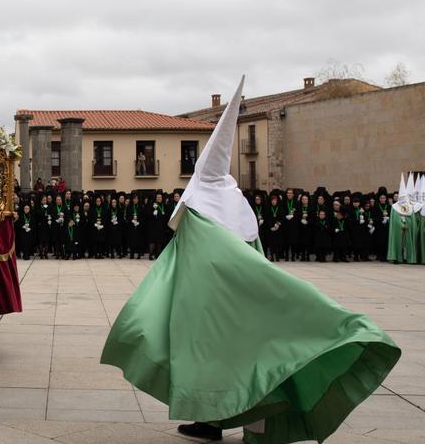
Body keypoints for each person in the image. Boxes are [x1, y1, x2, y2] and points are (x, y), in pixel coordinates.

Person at [101, 77, 400, 444]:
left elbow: (188, 254)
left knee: (214, 359)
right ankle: (250, 428)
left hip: (211, 302)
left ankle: (211, 423)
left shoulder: (199, 207)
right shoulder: (236, 202)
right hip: (248, 298)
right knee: (257, 356)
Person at [263, 193, 284, 261]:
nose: (274, 201)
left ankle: (277, 256)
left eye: (275, 200)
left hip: (278, 228)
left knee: (277, 243)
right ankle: (271, 256)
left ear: (277, 201)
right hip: (270, 228)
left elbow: (282, 218)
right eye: (272, 200)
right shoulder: (268, 208)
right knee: (271, 243)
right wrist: (271, 226)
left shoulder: (280, 208)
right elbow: (267, 218)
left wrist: (277, 224)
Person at [147, 192, 168, 260]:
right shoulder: (152, 205)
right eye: (158, 197)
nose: (159, 198)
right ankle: (151, 254)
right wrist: (153, 214)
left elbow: (167, 215)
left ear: (162, 198)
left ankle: (158, 254)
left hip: (161, 226)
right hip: (153, 226)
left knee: (159, 241)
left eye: (160, 197)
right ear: (156, 198)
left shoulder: (164, 205)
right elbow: (148, 215)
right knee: (152, 240)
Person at [282, 188, 300, 261]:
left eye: (290, 193)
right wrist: (286, 216)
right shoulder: (283, 202)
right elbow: (281, 212)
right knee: (286, 241)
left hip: (293, 224)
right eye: (288, 193)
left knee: (293, 241)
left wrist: (293, 216)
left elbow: (298, 212)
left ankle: (293, 256)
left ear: (293, 194)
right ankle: (286, 255)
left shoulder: (296, 202)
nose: (289, 194)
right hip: (286, 224)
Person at [126, 193, 144, 259]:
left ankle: (139, 254)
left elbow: (143, 217)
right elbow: (127, 216)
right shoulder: (129, 207)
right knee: (131, 240)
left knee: (138, 241)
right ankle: (132, 254)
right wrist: (131, 221)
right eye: (134, 199)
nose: (135, 200)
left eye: (137, 199)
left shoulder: (140, 207)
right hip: (131, 226)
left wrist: (139, 222)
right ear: (132, 199)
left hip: (138, 226)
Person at [297, 193, 312, 261]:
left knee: (308, 242)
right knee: (302, 242)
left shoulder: (311, 207)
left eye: (305, 199)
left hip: (308, 227)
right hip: (301, 226)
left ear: (308, 200)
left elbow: (312, 216)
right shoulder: (299, 207)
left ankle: (308, 255)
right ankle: (302, 255)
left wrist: (307, 220)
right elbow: (297, 215)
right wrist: (301, 219)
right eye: (303, 199)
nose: (304, 200)